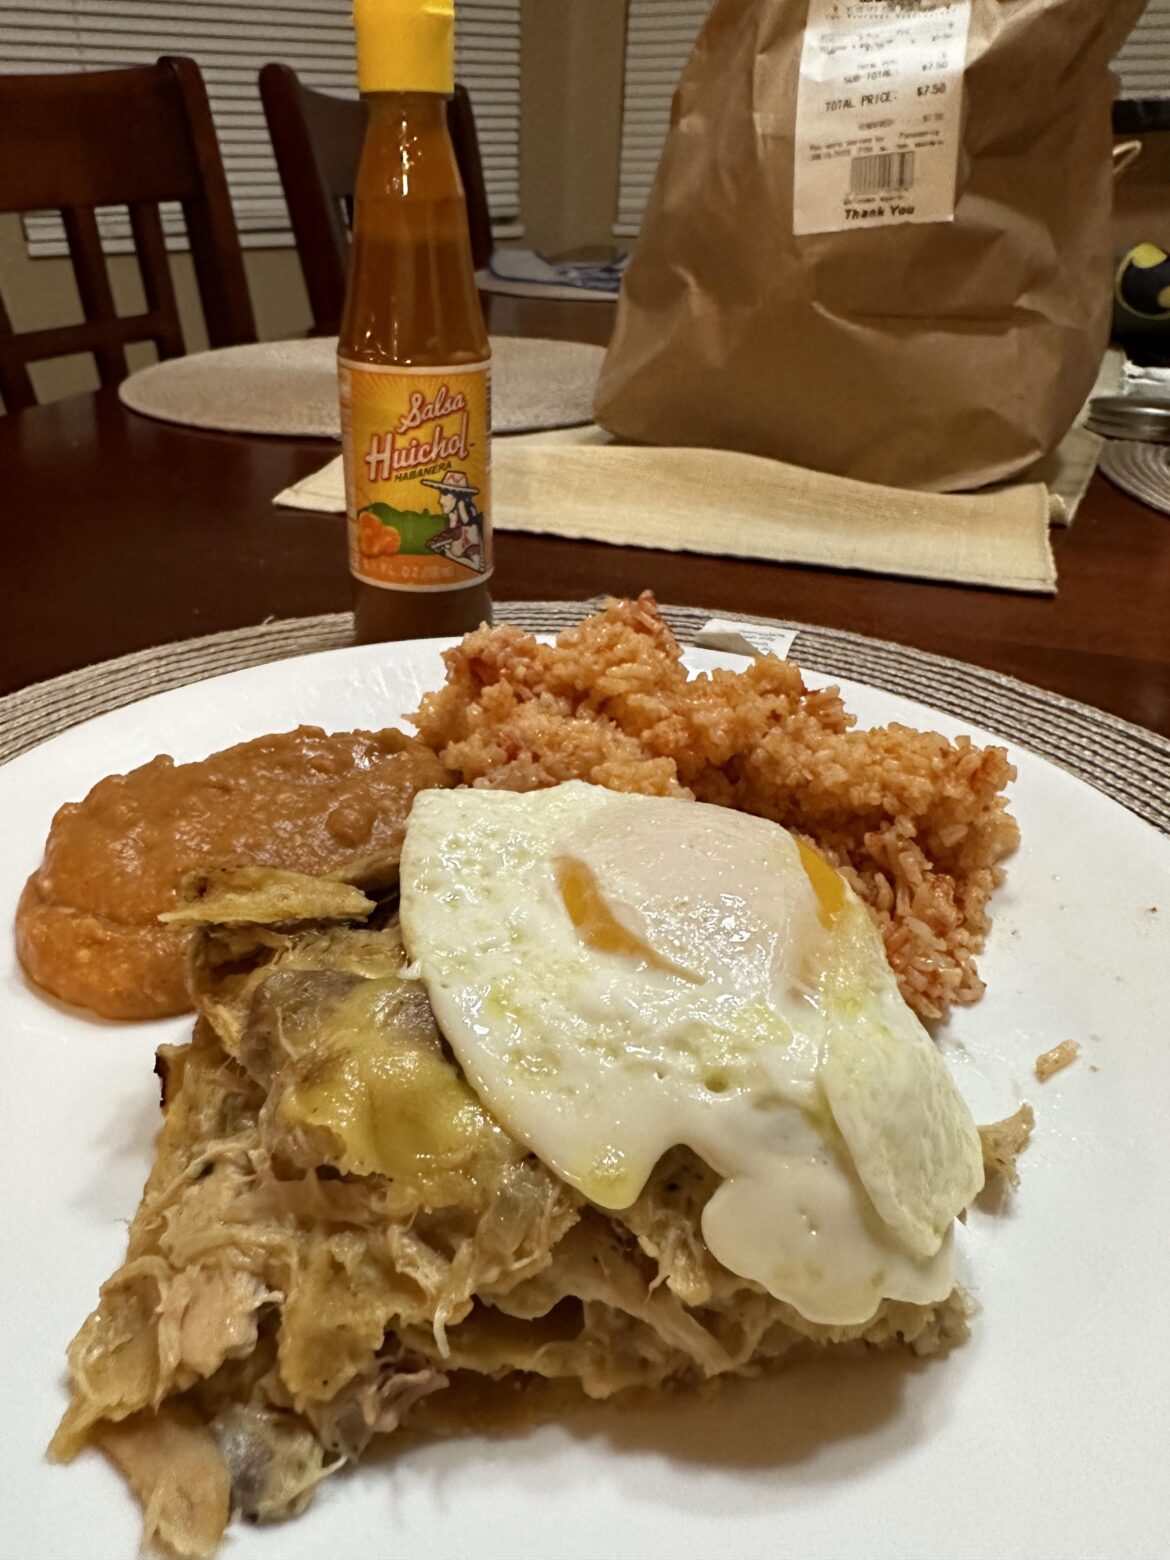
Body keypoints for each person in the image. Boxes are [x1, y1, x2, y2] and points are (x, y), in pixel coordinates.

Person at [421, 470, 486, 573]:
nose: (440, 501)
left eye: (445, 494)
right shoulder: (452, 522)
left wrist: (450, 556)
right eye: (441, 494)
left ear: (459, 499)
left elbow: (476, 565)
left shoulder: (470, 529)